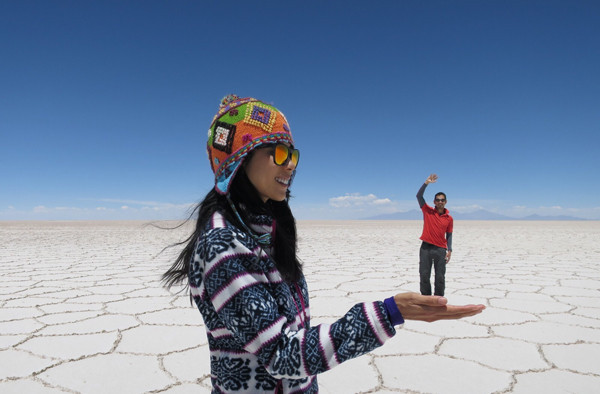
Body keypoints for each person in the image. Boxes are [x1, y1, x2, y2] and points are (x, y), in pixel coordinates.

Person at [162, 95, 484, 393]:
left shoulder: (266, 231)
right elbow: (282, 354)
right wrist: (388, 313)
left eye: (292, 154)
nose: (291, 164)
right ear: (239, 160)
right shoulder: (222, 244)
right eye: (278, 152)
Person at [416, 174, 453, 296]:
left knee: (440, 277)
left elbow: (449, 235)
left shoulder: (449, 218)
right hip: (425, 248)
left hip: (440, 250)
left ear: (446, 202)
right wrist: (426, 183)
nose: (440, 202)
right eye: (438, 200)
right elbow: (419, 196)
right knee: (424, 275)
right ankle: (426, 300)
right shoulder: (428, 211)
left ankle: (438, 301)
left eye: (442, 200)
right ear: (434, 202)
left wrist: (449, 250)